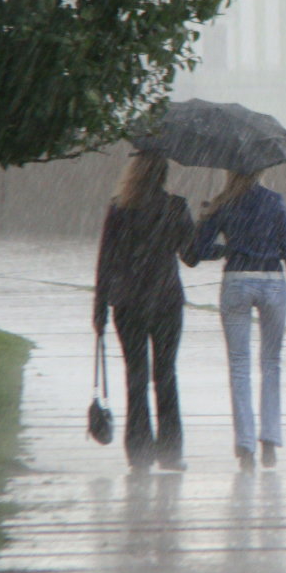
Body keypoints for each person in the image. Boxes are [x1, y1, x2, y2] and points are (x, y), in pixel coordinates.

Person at [189, 169, 286, 472]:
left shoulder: (223, 203)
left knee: (239, 364)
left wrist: (224, 246)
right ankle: (269, 439)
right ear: (262, 169)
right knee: (271, 363)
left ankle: (245, 445)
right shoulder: (275, 202)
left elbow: (198, 250)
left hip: (237, 280)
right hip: (272, 280)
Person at [94, 151, 196, 473]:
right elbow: (191, 256)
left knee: (135, 377)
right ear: (163, 176)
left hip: (129, 303)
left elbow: (106, 260)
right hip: (166, 302)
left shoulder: (120, 209)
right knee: (165, 375)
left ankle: (138, 452)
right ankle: (170, 452)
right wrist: (205, 227)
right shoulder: (176, 207)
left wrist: (99, 308)